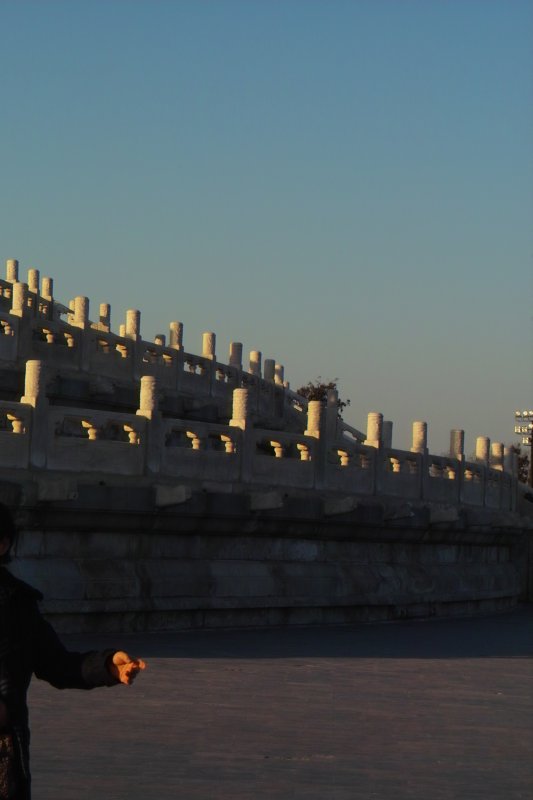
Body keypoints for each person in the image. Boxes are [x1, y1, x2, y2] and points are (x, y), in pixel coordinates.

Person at [0, 502, 146, 800]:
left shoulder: (19, 605)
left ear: (2, 544)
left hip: (5, 755)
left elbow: (58, 665)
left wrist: (107, 665)